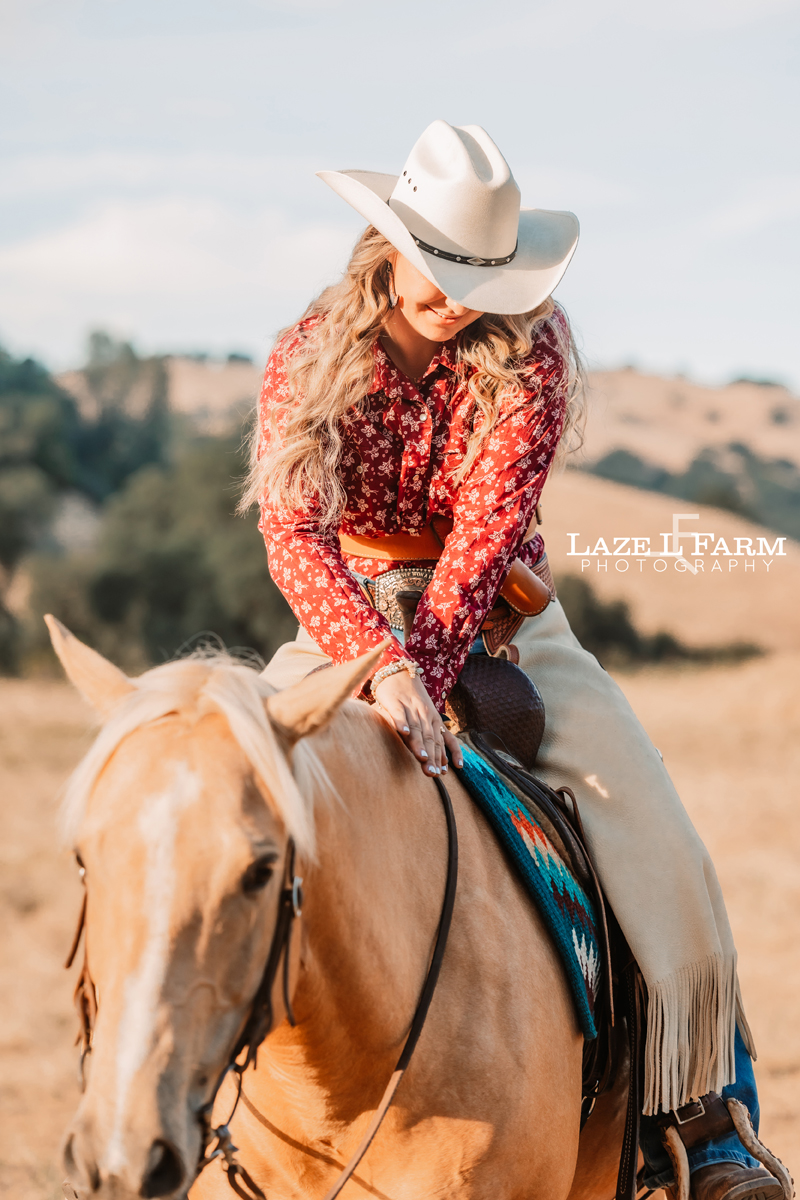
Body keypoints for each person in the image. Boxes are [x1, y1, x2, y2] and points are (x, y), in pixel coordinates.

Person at [243, 120, 786, 1200]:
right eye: (437, 268)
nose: (454, 296)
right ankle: (178, 1085)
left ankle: (705, 1119)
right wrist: (373, 663)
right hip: (339, 618)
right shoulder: (309, 352)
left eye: (475, 276)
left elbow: (480, 546)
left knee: (648, 822)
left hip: (498, 618)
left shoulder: (530, 351)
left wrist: (423, 676)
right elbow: (292, 531)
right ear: (386, 243)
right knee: (231, 795)